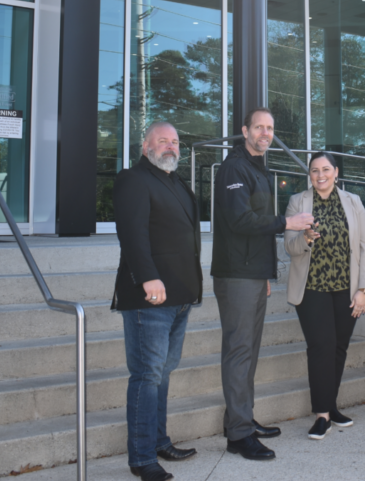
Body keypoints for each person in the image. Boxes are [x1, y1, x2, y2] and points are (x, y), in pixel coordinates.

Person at [212, 107, 315, 460]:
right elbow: (242, 220)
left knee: (249, 353)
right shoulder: (233, 168)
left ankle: (241, 420)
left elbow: (256, 230)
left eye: (270, 128)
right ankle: (238, 436)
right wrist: (288, 222)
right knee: (239, 352)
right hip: (236, 274)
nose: (265, 133)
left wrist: (265, 274)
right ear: (245, 130)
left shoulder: (258, 168)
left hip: (252, 273)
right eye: (259, 127)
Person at [113, 121, 203, 481]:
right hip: (149, 297)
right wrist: (148, 276)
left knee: (163, 374)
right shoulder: (133, 179)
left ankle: (159, 441)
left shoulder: (176, 181)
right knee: (147, 375)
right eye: (163, 140)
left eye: (175, 141)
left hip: (180, 297)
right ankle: (141, 457)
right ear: (145, 145)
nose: (171, 146)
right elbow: (132, 233)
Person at [284, 152, 365, 440]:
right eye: (314, 170)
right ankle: (322, 415)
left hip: (346, 289)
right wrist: (305, 239)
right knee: (321, 346)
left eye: (326, 169)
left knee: (338, 347)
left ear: (336, 172)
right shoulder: (297, 202)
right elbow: (289, 247)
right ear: (309, 175)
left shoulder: (353, 201)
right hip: (312, 288)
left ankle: (331, 406)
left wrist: (364, 290)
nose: (320, 175)